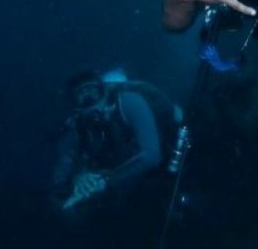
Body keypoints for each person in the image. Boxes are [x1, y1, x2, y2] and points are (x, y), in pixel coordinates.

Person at [51, 68, 183, 212]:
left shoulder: (130, 102)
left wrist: (106, 182)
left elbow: (152, 156)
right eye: (81, 95)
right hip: (125, 181)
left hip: (165, 166)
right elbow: (62, 174)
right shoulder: (78, 127)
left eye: (92, 91)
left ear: (104, 92)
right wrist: (78, 179)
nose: (88, 99)